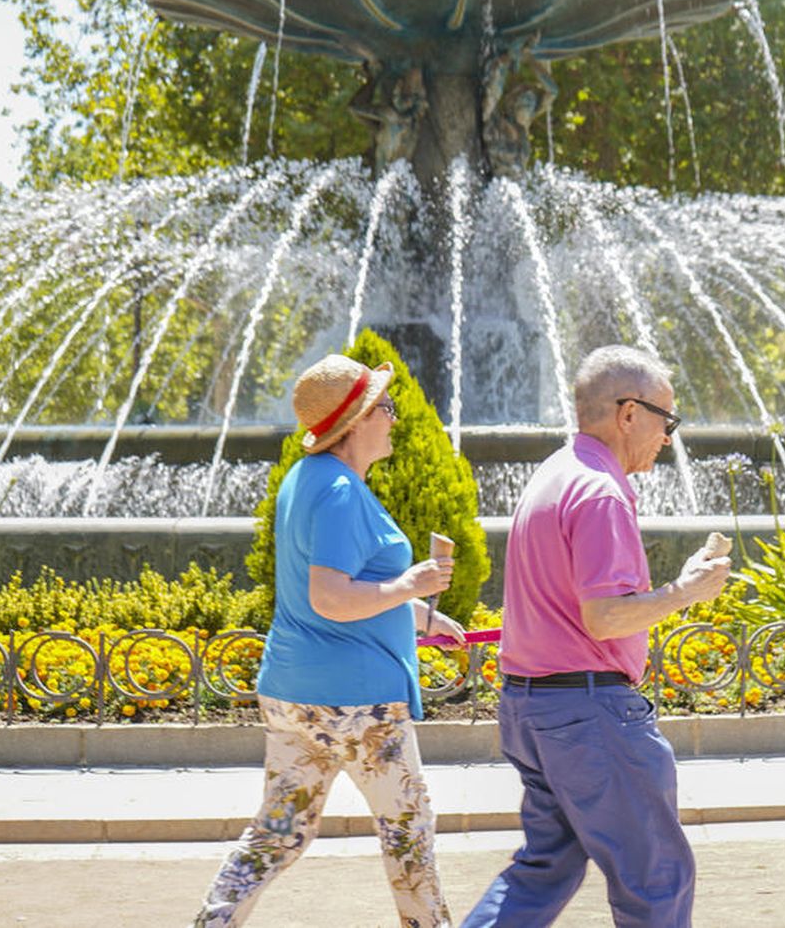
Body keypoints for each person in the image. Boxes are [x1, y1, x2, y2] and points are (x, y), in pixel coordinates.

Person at [462, 345, 732, 928]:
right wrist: (685, 591)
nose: (668, 437)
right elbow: (604, 618)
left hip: (532, 707)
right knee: (656, 878)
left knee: (544, 869)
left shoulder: (554, 474)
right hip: (589, 713)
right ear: (628, 413)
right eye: (666, 419)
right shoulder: (601, 492)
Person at [195, 353, 464, 928]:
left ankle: (213, 922)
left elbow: (337, 586)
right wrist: (413, 581)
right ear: (358, 419)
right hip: (357, 704)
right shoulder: (341, 489)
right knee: (408, 830)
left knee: (277, 834)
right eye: (386, 408)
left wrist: (419, 614)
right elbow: (331, 598)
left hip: (294, 692)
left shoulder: (306, 478)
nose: (394, 418)